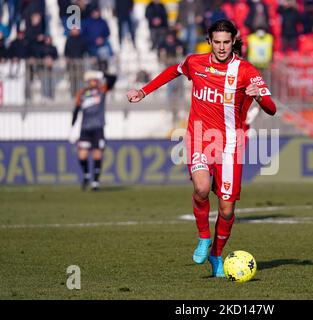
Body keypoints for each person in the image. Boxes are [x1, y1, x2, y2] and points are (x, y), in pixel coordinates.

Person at [126, 19, 276, 277]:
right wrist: (144, 90)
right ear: (209, 41)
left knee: (227, 210)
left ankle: (216, 254)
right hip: (199, 138)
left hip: (230, 145)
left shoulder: (247, 71)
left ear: (234, 41)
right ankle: (204, 237)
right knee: (201, 187)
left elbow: (271, 109)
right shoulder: (196, 63)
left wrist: (259, 96)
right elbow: (173, 70)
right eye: (216, 42)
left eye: (226, 42)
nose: (221, 47)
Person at [69, 70, 117, 191]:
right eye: (91, 80)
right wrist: (72, 127)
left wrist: (101, 74)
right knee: (82, 156)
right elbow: (76, 110)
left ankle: (95, 182)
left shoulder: (101, 90)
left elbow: (113, 78)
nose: (93, 82)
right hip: (85, 128)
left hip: (98, 128)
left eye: (95, 80)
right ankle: (86, 175)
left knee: (97, 155)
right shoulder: (82, 93)